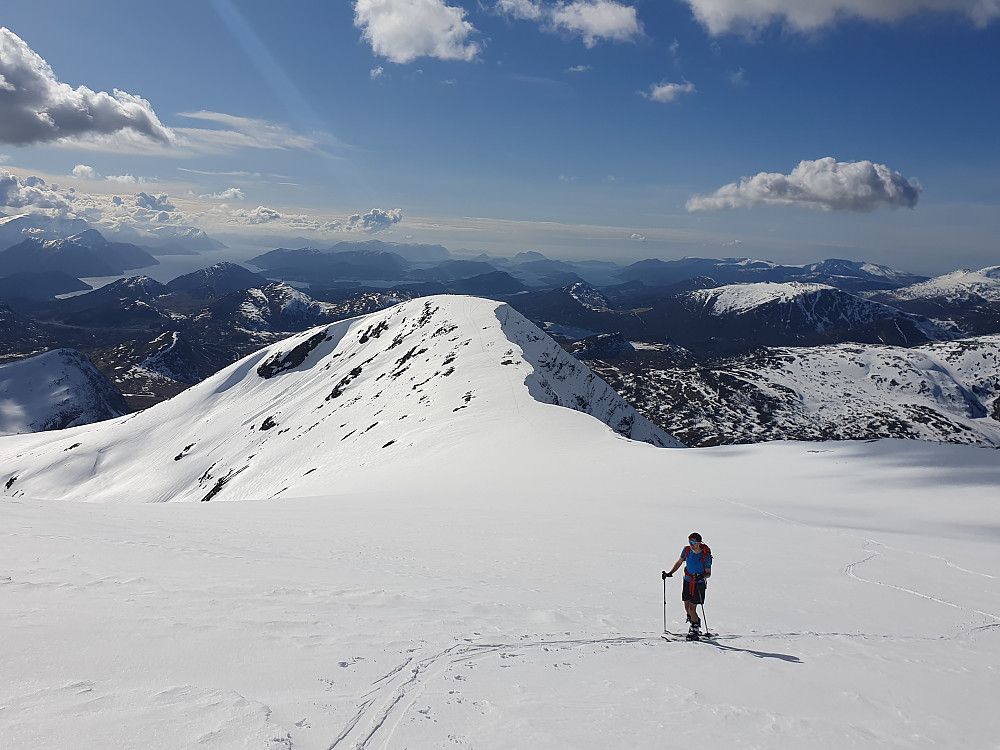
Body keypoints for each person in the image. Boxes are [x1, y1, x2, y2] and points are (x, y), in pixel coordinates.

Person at [662, 532, 712, 637]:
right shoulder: (687, 550)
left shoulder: (705, 556)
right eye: (690, 542)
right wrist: (670, 573)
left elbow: (708, 573)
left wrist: (701, 576)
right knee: (686, 606)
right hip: (687, 581)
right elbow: (679, 562)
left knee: (692, 608)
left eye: (693, 542)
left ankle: (695, 628)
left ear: (699, 543)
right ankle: (694, 621)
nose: (691, 545)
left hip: (698, 584)